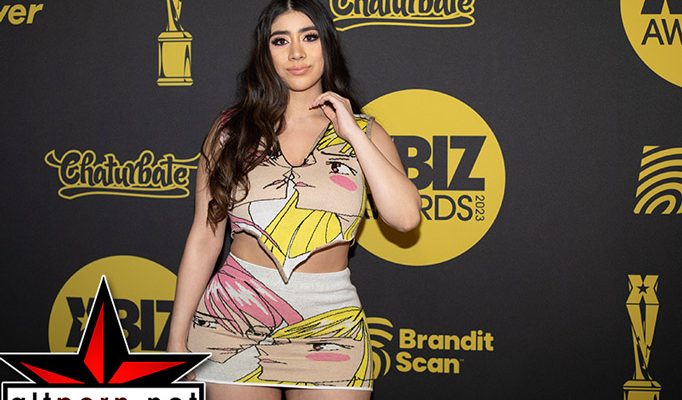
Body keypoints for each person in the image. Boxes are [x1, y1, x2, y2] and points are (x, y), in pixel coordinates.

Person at [166, 0, 421, 399]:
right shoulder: (232, 130)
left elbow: (405, 219)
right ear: (264, 53)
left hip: (331, 325)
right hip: (231, 321)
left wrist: (353, 133)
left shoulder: (366, 132)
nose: (297, 53)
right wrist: (176, 340)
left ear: (327, 45)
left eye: (309, 37)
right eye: (280, 40)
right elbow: (204, 236)